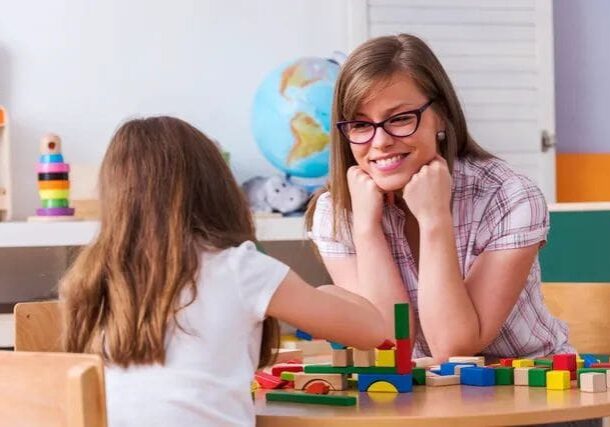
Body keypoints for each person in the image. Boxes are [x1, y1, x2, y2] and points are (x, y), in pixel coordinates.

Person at [59, 116, 386, 427]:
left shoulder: (92, 278)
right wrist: (325, 295)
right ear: (216, 188)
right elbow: (374, 332)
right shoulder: (238, 267)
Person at [306, 33, 574, 363]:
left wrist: (434, 219)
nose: (380, 141)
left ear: (441, 115)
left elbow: (454, 347)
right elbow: (388, 341)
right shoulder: (337, 213)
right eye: (361, 125)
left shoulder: (509, 196)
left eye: (401, 118)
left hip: (535, 395)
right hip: (423, 401)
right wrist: (367, 228)